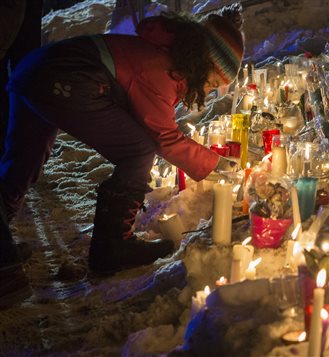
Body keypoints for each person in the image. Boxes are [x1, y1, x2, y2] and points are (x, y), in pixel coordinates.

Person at [0, 11, 244, 290]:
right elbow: (164, 137)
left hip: (36, 72)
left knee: (23, 163)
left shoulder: (164, 54)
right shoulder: (160, 68)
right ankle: (113, 245)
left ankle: (1, 242)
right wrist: (215, 165)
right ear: (202, 62)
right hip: (68, 78)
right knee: (138, 150)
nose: (210, 91)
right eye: (213, 83)